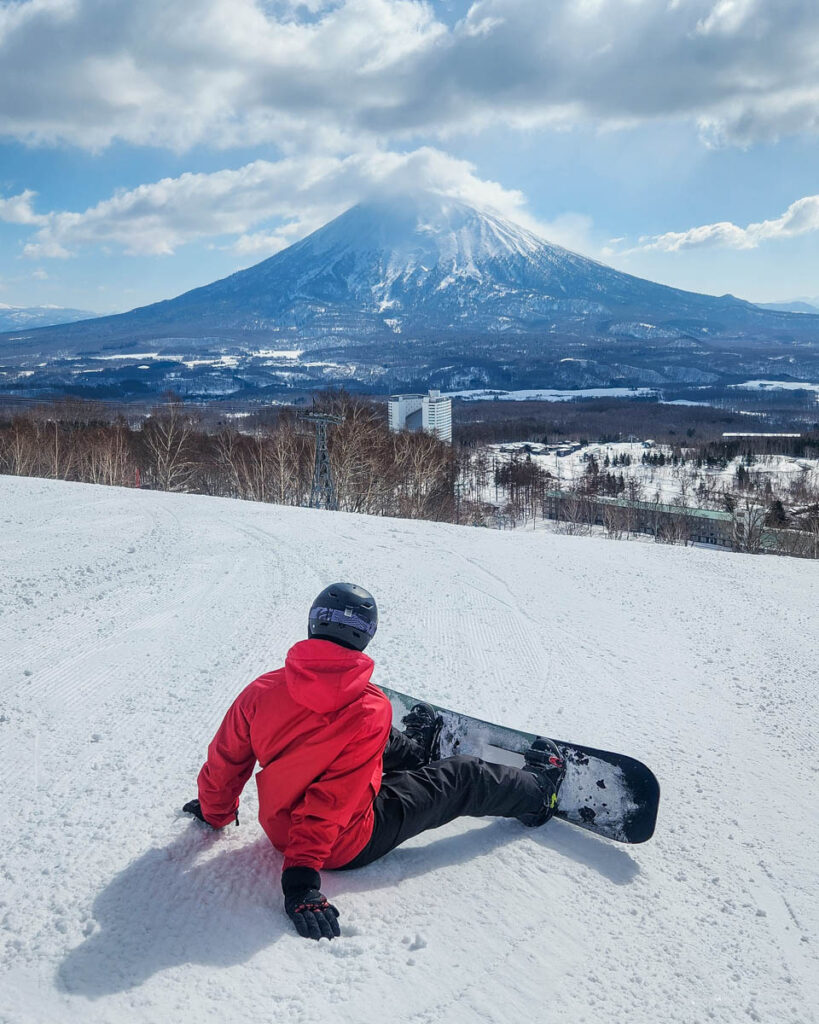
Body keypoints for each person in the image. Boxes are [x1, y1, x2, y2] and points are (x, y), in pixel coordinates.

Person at [182, 582, 565, 941]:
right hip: (342, 842)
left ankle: (416, 753)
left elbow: (226, 761)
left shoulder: (261, 690)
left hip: (281, 828)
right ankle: (538, 794)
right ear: (366, 635)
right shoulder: (370, 706)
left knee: (364, 735)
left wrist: (215, 812)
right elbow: (330, 802)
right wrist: (301, 882)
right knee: (463, 775)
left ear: (314, 623)